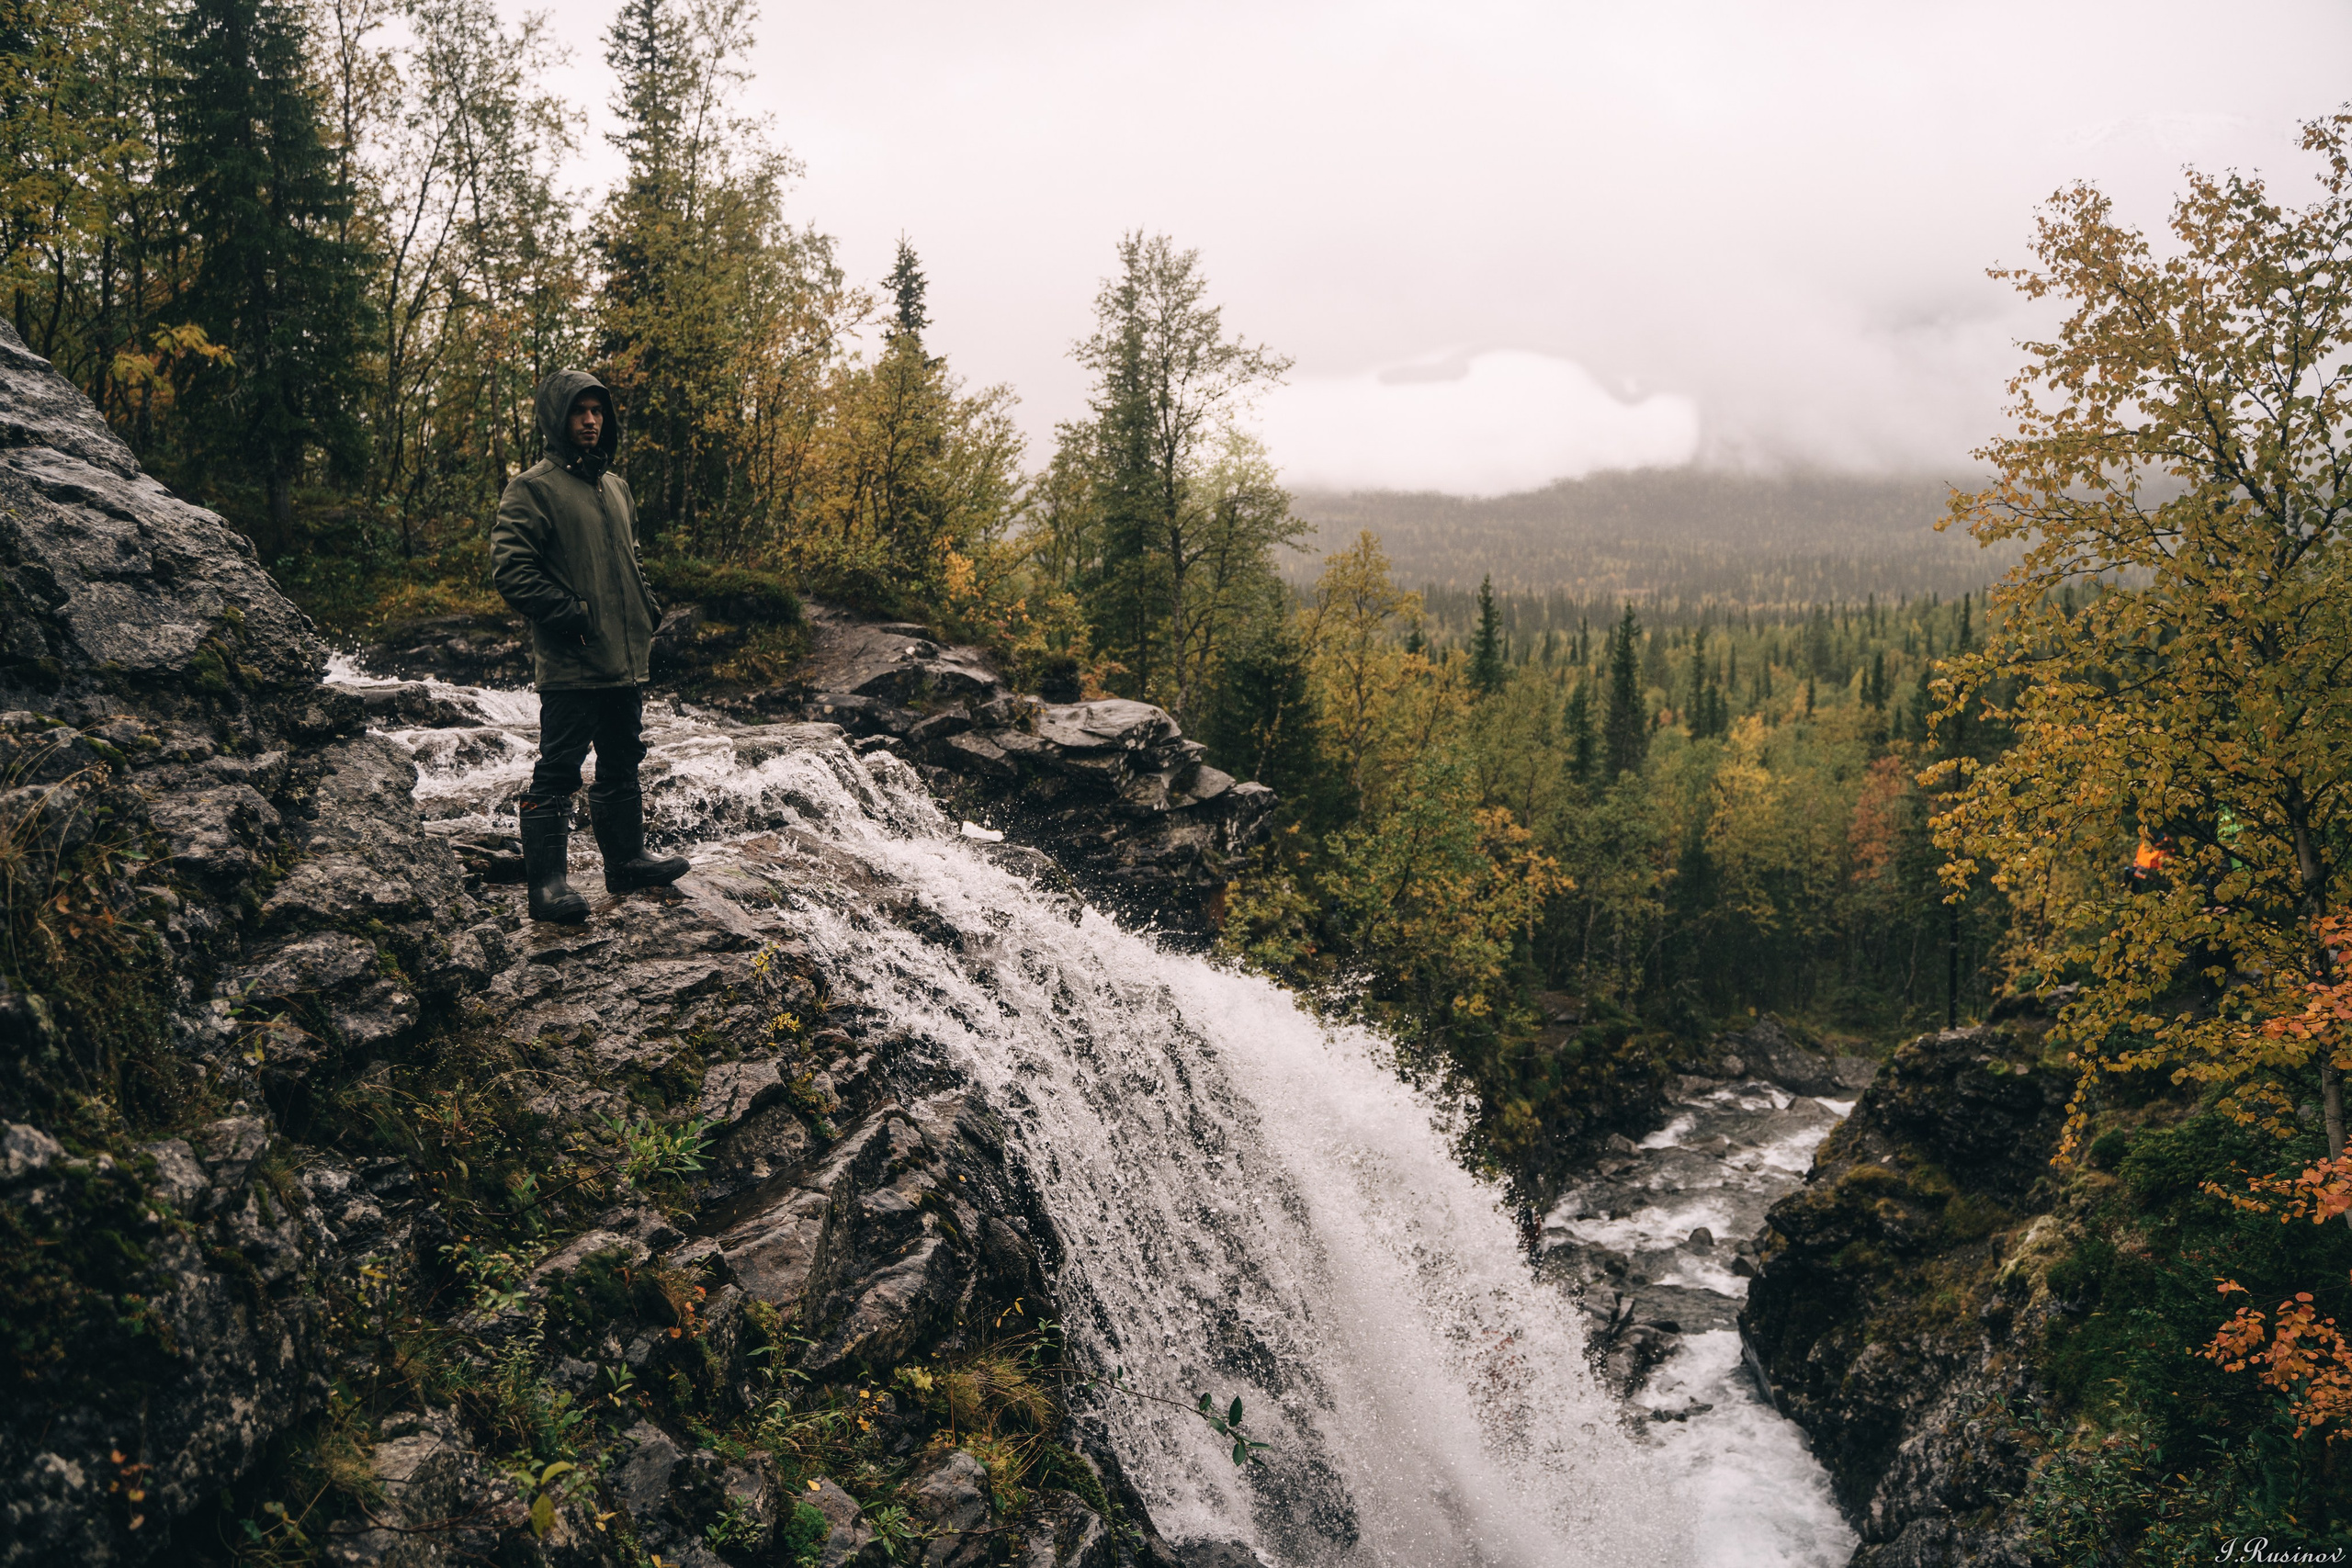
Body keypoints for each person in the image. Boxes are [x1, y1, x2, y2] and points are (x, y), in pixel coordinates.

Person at [490, 370, 689, 922]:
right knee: (559, 770)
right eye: (580, 411)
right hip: (572, 662)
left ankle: (625, 861)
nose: (591, 420)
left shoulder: (617, 486)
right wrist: (573, 617)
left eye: (599, 411)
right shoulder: (532, 488)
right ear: (558, 417)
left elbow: (632, 558)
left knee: (623, 761)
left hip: (625, 660)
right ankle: (547, 886)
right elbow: (511, 570)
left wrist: (646, 610)